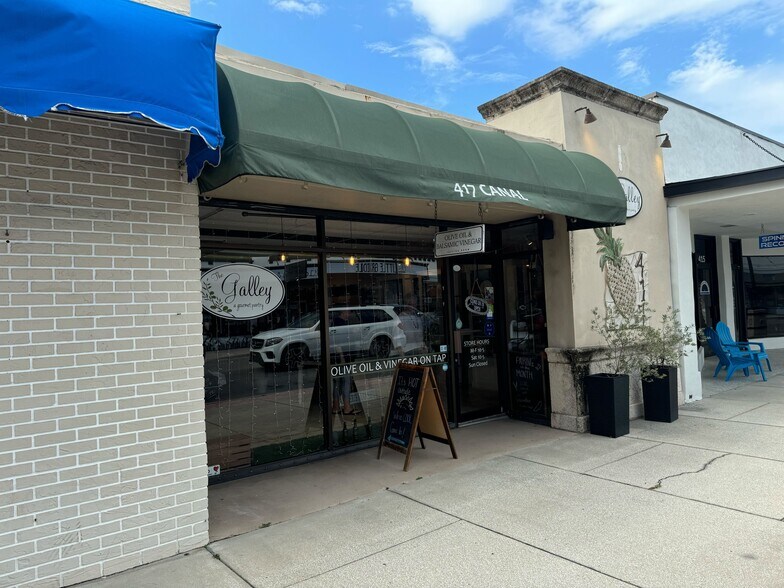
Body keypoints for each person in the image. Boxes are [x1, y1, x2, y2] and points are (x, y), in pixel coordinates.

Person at [331, 309, 358, 415]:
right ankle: (347, 407)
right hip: (342, 357)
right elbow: (337, 342)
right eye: (348, 312)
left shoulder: (335, 323)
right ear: (342, 312)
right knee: (346, 381)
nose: (350, 314)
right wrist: (342, 356)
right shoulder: (339, 324)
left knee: (337, 382)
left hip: (337, 357)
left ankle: (336, 406)